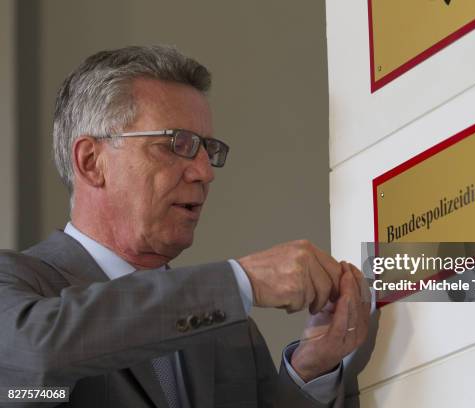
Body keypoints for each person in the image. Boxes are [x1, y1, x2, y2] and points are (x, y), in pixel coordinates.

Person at [0, 45, 375, 407]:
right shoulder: (18, 285)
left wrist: (311, 370)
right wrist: (242, 280)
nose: (204, 172)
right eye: (176, 144)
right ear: (91, 161)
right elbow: (32, 364)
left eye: (206, 149)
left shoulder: (229, 331)